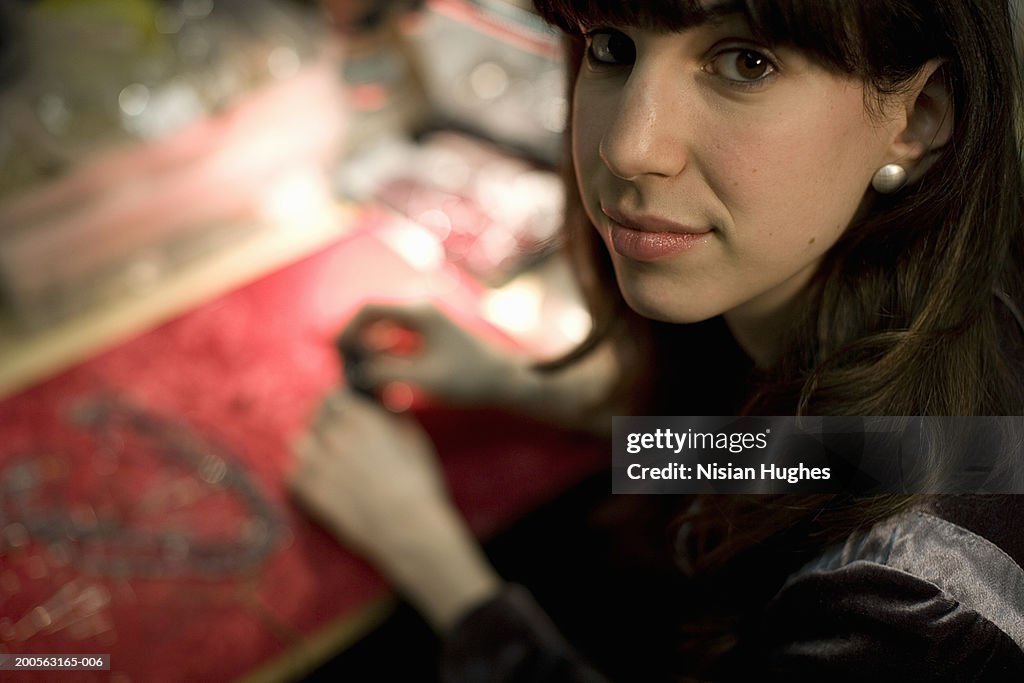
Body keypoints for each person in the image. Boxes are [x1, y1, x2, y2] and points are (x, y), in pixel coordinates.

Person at [291, 0, 1024, 679]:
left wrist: (437, 567)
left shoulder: (907, 605)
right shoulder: (912, 329)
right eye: (612, 46)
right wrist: (523, 384)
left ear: (919, 116)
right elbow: (821, 460)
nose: (628, 146)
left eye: (747, 63)